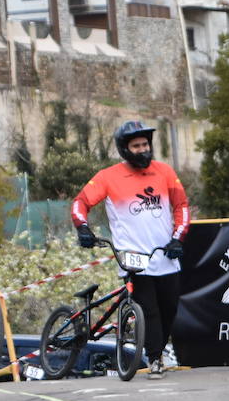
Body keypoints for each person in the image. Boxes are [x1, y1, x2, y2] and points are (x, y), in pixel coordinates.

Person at [72, 120, 191, 379]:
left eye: (145, 144)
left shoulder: (165, 172)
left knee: (170, 306)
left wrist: (178, 238)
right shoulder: (108, 176)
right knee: (149, 310)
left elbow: (181, 206)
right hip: (132, 257)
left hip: (164, 253)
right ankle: (156, 358)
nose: (142, 149)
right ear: (125, 149)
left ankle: (158, 350)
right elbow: (80, 202)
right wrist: (82, 227)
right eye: (136, 146)